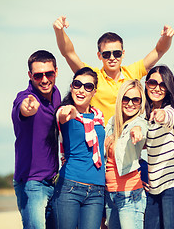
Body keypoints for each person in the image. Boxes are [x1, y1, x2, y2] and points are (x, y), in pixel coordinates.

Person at [53, 16, 174, 124]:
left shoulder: (133, 72)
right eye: (106, 54)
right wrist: (59, 31)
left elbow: (159, 51)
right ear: (99, 55)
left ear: (123, 54)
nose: (112, 58)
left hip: (127, 140)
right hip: (100, 141)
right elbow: (69, 53)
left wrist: (167, 37)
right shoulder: (93, 77)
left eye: (116, 53)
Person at [11, 50, 60, 229]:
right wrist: (27, 108)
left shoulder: (56, 94)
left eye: (49, 73)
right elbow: (22, 108)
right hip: (32, 184)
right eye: (38, 75)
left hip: (54, 182)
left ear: (56, 71)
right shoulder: (25, 98)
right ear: (30, 76)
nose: (45, 79)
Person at [52, 67, 106, 229]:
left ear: (94, 92)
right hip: (70, 186)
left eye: (88, 87)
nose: (82, 90)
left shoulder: (99, 117)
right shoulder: (66, 113)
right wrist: (69, 111)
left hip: (97, 190)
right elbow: (61, 115)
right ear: (71, 87)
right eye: (77, 84)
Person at [143, 65, 174, 229]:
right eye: (153, 83)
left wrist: (161, 115)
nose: (157, 88)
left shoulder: (171, 110)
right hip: (155, 187)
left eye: (163, 85)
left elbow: (168, 117)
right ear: (146, 83)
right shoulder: (145, 116)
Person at [104, 79, 147, 229]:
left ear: (141, 102)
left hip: (129, 194)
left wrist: (137, 131)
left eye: (135, 99)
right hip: (110, 194)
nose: (130, 104)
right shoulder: (112, 123)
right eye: (126, 99)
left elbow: (141, 128)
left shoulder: (139, 122)